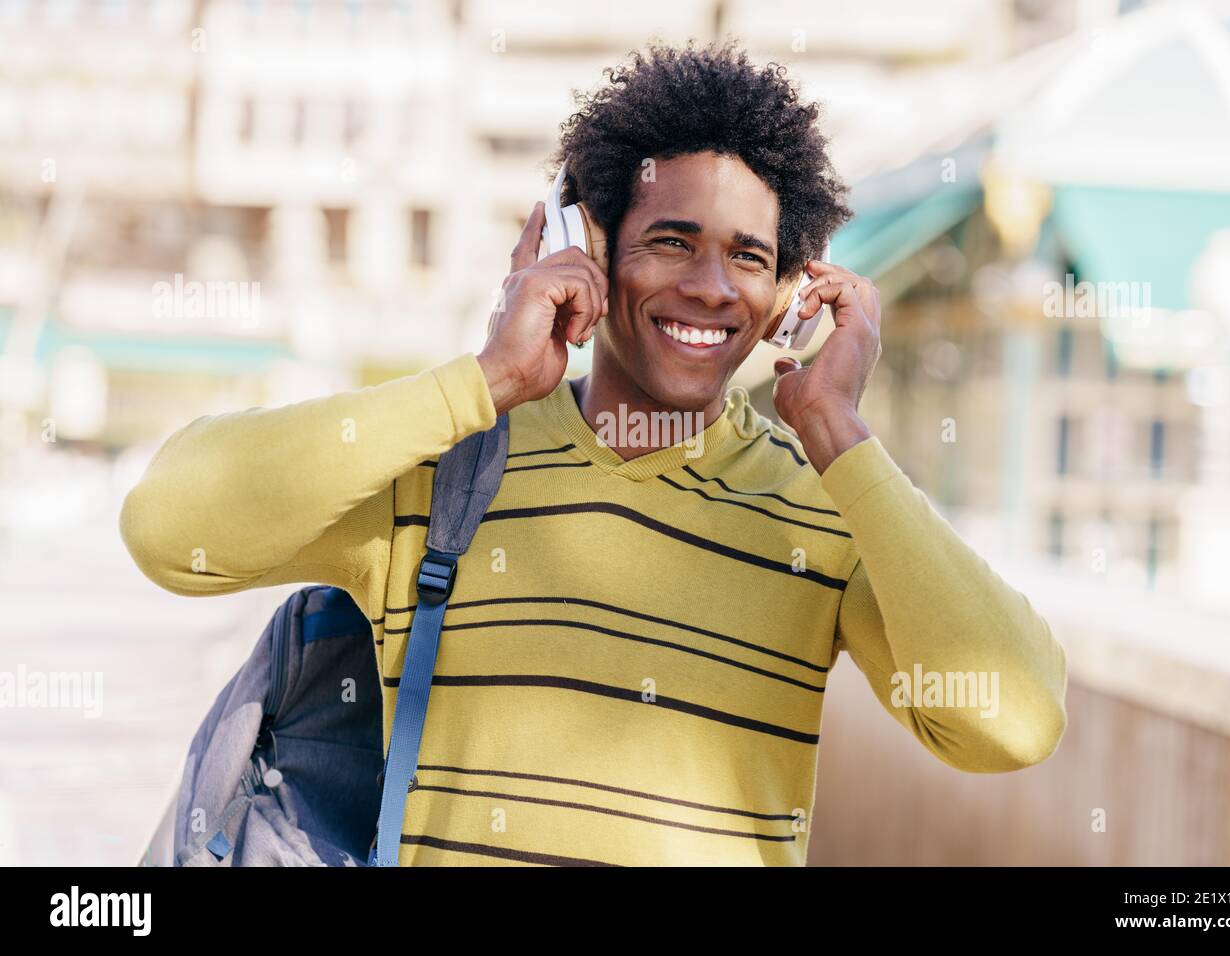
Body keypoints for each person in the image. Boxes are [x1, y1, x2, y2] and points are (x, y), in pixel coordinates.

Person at [120, 40, 1067, 866]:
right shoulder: (447, 462)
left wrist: (837, 432)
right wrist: (484, 379)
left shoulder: (828, 512)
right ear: (588, 245)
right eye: (671, 240)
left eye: (747, 256)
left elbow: (1014, 723)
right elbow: (168, 527)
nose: (708, 286)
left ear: (787, 291)